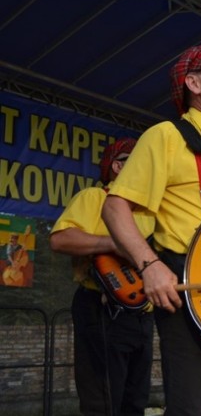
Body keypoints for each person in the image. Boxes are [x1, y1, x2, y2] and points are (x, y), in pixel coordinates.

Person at [101, 45, 201, 416]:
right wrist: (150, 265)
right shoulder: (166, 135)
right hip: (187, 283)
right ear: (193, 83)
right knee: (191, 407)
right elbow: (114, 206)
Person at [50, 137, 155, 416]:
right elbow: (60, 240)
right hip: (101, 308)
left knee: (135, 402)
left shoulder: (151, 212)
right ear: (118, 167)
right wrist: (113, 243)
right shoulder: (94, 198)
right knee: (102, 402)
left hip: (143, 315)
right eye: (133, 161)